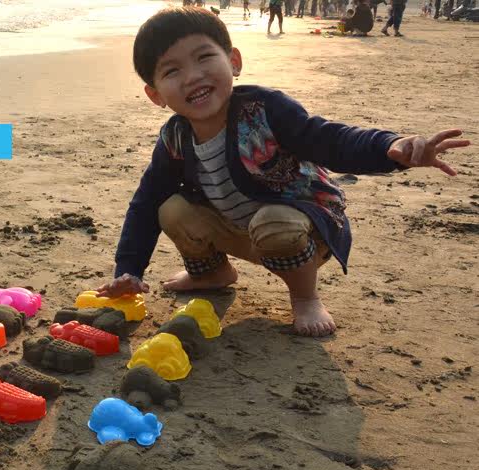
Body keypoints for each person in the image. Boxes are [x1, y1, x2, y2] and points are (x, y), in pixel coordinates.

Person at [96, 7, 469, 336]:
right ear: (156, 94)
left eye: (204, 57)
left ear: (234, 61)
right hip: (240, 229)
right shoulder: (175, 139)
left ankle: (305, 297)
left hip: (303, 231)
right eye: (172, 70)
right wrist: (128, 270)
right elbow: (145, 203)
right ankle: (210, 273)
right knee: (169, 208)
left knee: (274, 221)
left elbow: (329, 139)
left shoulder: (265, 110)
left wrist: (389, 147)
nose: (192, 76)